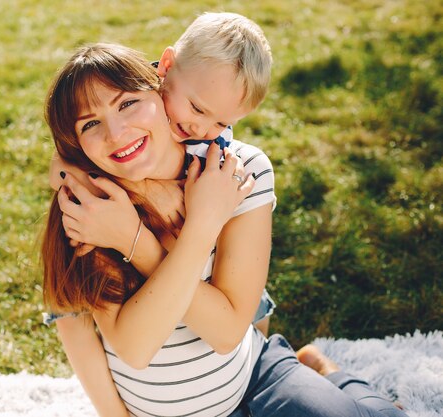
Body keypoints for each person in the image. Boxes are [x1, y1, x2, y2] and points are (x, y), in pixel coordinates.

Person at [41, 43, 408, 417]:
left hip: (254, 378)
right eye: (90, 124)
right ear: (75, 144)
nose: (116, 133)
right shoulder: (91, 207)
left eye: (127, 104)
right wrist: (196, 223)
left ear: (160, 88)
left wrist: (139, 242)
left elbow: (226, 333)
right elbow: (135, 349)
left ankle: (334, 377)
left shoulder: (234, 172)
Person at [48, 12, 276, 336]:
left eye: (222, 123)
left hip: (218, 264)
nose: (201, 128)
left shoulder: (215, 142)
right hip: (160, 284)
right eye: (196, 109)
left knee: (254, 323)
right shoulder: (135, 95)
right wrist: (150, 190)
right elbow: (61, 165)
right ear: (165, 68)